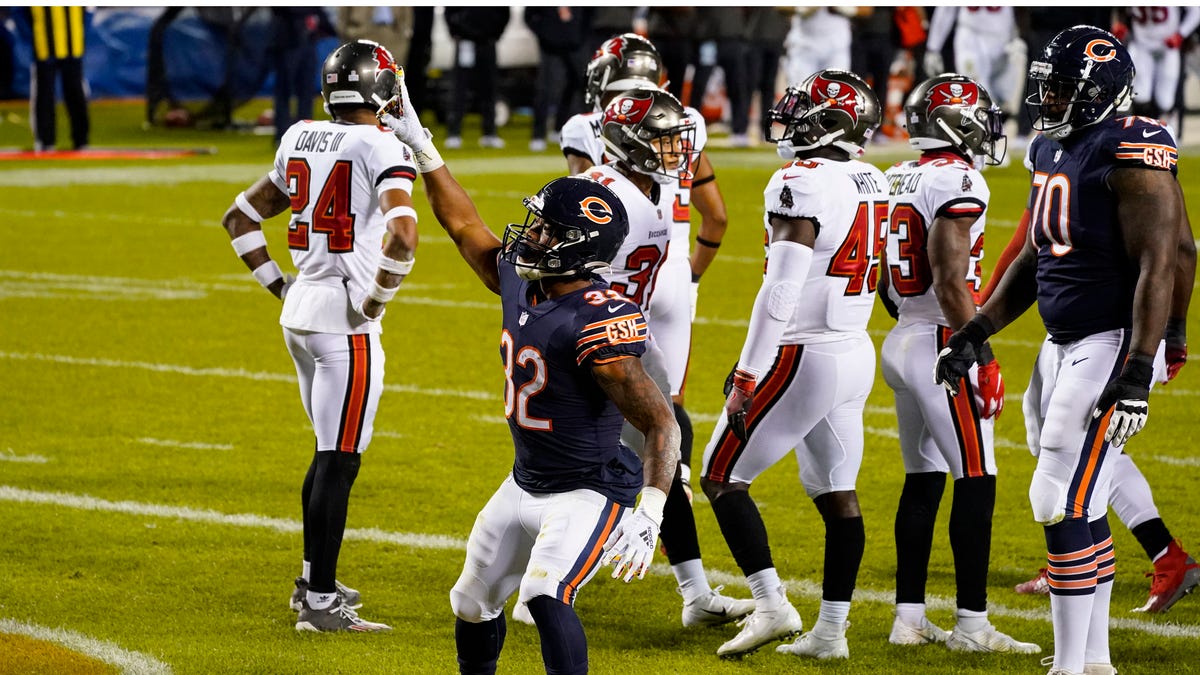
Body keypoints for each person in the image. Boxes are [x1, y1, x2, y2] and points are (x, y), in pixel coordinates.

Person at [380, 79, 682, 673]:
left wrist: (651, 510)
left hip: (590, 490)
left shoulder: (598, 319)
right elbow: (464, 225)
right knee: (469, 601)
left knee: (545, 595)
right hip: (525, 479)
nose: (532, 235)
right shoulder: (524, 282)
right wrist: (422, 145)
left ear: (579, 248)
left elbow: (660, 423)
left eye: (547, 230)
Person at [934, 26, 1183, 675]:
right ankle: (1093, 660)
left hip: (1112, 342)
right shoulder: (1050, 145)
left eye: (1063, 86)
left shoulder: (1132, 147)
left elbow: (1165, 258)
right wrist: (977, 330)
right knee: (1083, 499)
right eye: (1047, 84)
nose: (1049, 97)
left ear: (1102, 90)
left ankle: (1071, 666)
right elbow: (1035, 253)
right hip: (1062, 340)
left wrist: (1140, 366)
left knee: (1059, 499)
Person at [220, 39, 419, 632]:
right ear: (381, 89)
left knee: (327, 450)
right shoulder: (380, 142)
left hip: (301, 310)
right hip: (344, 320)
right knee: (340, 459)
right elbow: (403, 234)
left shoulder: (299, 134)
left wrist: (280, 286)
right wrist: (375, 301)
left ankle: (313, 581)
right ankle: (321, 602)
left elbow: (240, 218)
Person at [557, 35, 751, 629]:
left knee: (647, 447)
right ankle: (543, 579)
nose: (676, 154)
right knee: (641, 440)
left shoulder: (602, 160)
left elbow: (568, 226)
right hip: (635, 299)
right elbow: (713, 215)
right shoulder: (669, 137)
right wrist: (690, 274)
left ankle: (692, 591)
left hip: (616, 305)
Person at [701, 69, 888, 660]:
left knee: (719, 475)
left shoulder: (801, 180)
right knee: (838, 493)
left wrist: (748, 372)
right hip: (855, 350)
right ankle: (830, 634)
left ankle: (772, 604)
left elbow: (781, 290)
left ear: (828, 121)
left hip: (802, 351)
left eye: (802, 109)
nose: (788, 117)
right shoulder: (872, 175)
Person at [879, 73, 1039, 656]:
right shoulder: (958, 177)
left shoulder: (898, 173)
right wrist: (980, 349)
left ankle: (909, 619)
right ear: (957, 122)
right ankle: (973, 626)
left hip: (904, 335)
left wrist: (915, 323)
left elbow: (885, 279)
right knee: (976, 479)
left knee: (922, 480)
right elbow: (949, 277)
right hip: (943, 344)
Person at [991, 200, 1200, 615]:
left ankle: (1141, 559)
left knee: (1080, 454)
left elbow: (1178, 247)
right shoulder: (1094, 150)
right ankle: (1150, 557)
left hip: (1111, 334)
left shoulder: (1121, 152)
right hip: (1080, 330)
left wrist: (1172, 330)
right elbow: (1033, 239)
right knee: (1066, 446)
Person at [1115, 6, 1200, 131]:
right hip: (1141, 45)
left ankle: (1168, 135)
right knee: (1140, 96)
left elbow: (1196, 11)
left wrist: (1181, 34)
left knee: (1165, 101)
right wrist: (1120, 24)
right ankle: (1142, 133)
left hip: (1167, 47)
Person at [443, 7, 510, 149]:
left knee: (489, 89)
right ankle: (454, 133)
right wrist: (456, 32)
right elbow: (449, 11)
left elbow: (504, 12)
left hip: (487, 42)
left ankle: (489, 133)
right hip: (465, 42)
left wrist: (495, 33)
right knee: (459, 90)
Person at [524, 7, 589, 152]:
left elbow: (588, 13)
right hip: (550, 47)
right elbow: (529, 15)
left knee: (576, 86)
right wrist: (545, 35)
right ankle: (538, 135)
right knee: (546, 89)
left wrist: (580, 36)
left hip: (574, 44)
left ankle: (559, 128)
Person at [26, 6, 89, 151]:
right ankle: (45, 140)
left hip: (73, 47)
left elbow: (89, 12)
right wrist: (33, 35)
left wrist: (81, 34)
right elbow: (19, 12)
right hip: (44, 47)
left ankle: (81, 140)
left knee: (76, 93)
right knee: (44, 94)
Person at [268, 8, 335, 145]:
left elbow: (318, 13)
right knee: (284, 91)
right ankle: (282, 135)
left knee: (306, 91)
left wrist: (323, 24)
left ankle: (305, 135)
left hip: (308, 43)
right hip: (287, 43)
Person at [336, 7, 413, 66]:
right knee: (362, 75)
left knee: (392, 76)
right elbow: (343, 14)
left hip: (393, 33)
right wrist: (348, 32)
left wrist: (405, 31)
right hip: (362, 32)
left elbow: (407, 12)